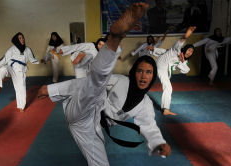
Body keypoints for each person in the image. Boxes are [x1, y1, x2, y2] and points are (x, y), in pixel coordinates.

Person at [38, 3, 171, 166]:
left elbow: (149, 126)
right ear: (134, 72)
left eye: (149, 72)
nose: (143, 76)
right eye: (140, 71)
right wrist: (51, 90)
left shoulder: (145, 104)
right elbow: (87, 83)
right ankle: (114, 38)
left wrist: (159, 144)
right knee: (98, 82)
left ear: (153, 76)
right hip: (83, 109)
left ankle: (114, 43)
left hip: (91, 129)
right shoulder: (122, 81)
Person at [148, 26, 196, 116]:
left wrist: (182, 62)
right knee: (168, 87)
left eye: (192, 52)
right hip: (162, 64)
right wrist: (186, 35)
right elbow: (181, 41)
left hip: (165, 68)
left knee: (165, 85)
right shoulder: (177, 49)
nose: (189, 52)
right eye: (189, 50)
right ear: (185, 49)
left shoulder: (184, 61)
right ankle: (166, 109)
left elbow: (186, 70)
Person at [0, 32, 39, 112]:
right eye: (20, 38)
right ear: (17, 40)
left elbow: (33, 59)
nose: (22, 39)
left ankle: (21, 106)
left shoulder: (27, 49)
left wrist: (40, 61)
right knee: (2, 69)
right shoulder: (12, 49)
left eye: (23, 37)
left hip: (20, 71)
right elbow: (4, 58)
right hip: (11, 67)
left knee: (20, 88)